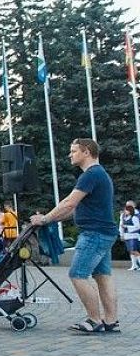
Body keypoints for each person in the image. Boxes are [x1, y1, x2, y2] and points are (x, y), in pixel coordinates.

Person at [29, 138, 121, 334]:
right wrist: (50, 219)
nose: (70, 155)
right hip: (105, 232)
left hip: (94, 234)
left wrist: (44, 219)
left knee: (77, 274)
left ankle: (94, 320)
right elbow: (72, 207)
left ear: (86, 151)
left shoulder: (90, 174)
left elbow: (70, 203)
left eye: (73, 151)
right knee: (102, 276)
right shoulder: (99, 174)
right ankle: (111, 321)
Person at [118, 201, 140, 270]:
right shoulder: (123, 215)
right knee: (131, 250)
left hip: (135, 235)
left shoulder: (137, 214)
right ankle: (134, 265)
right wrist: (121, 234)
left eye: (130, 205)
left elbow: (138, 226)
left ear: (134, 205)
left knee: (134, 250)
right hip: (127, 235)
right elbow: (121, 225)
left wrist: (127, 227)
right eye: (127, 205)